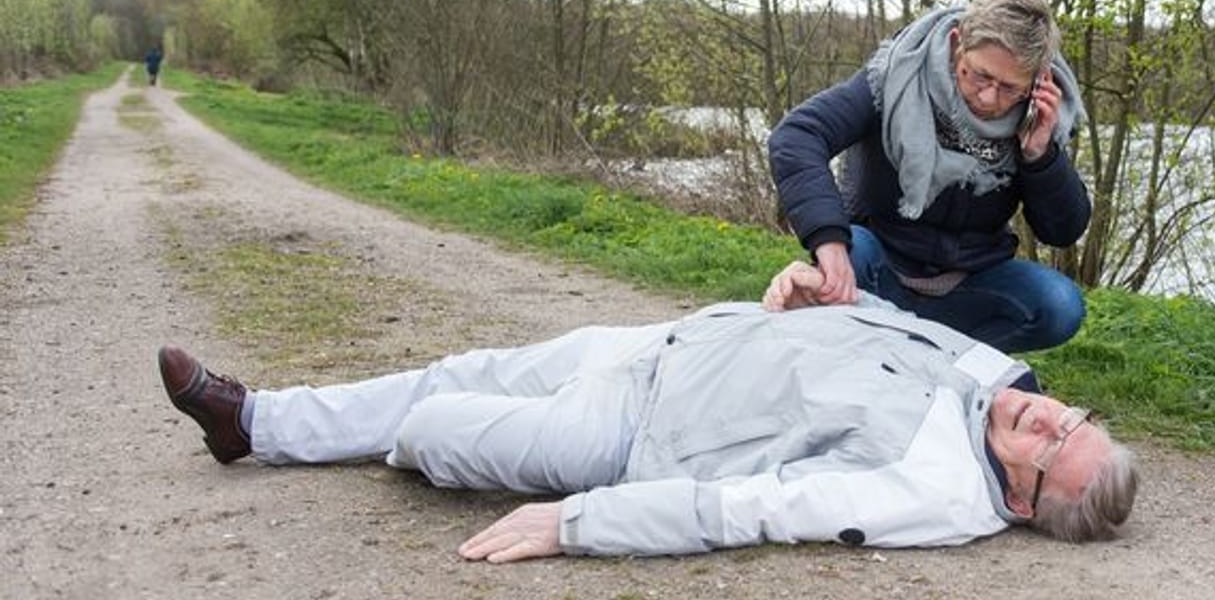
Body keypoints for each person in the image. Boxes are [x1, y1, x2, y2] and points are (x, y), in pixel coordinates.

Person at [158, 262, 1137, 563]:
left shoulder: (924, 489)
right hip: (669, 344)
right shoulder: (992, 372)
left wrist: (579, 523)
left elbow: (741, 510)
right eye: (1071, 416)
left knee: (437, 428)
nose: (1046, 418)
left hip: (633, 437)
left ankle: (367, 437)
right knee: (465, 364)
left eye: (1051, 447)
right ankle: (256, 422)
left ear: (1018, 502)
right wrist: (801, 299)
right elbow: (872, 324)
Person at [768, 0, 1091, 354]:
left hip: (971, 280)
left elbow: (1063, 231)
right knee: (851, 255)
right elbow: (797, 136)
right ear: (958, 42)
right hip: (879, 263)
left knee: (1059, 305)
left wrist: (1041, 156)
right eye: (980, 75)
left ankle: (938, 359)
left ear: (1037, 81)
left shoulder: (1036, 118)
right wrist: (828, 240)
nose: (989, 98)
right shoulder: (894, 77)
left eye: (1009, 88)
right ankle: (886, 352)